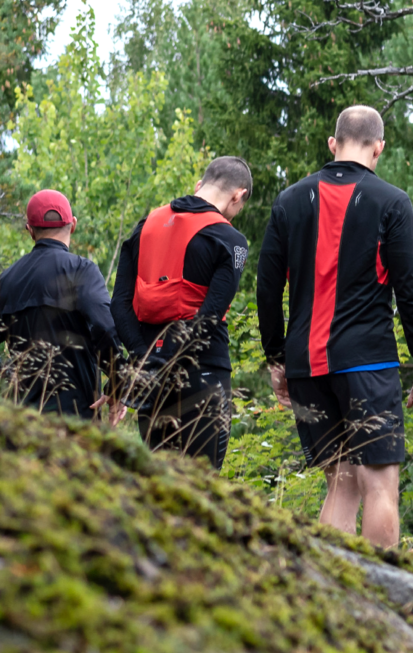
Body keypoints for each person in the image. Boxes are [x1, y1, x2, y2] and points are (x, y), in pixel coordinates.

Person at [257, 105, 413, 549]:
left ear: (332, 144)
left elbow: (266, 290)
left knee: (340, 483)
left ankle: (331, 585)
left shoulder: (289, 201)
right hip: (367, 362)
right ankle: (382, 587)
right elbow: (411, 293)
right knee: (379, 483)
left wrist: (277, 359)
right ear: (379, 148)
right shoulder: (391, 201)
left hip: (306, 366)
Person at [111, 156, 251, 468]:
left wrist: (144, 358)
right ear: (238, 195)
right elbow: (210, 317)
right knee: (202, 483)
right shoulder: (231, 240)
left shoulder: (144, 227)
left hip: (150, 373)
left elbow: (119, 305)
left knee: (159, 482)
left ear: (199, 185)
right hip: (203, 372)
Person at [0, 190, 122, 419]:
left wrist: (6, 376)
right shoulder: (81, 270)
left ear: (30, 230)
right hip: (76, 418)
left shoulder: (7, 280)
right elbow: (105, 328)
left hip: (21, 420)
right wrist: (117, 382)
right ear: (73, 225)